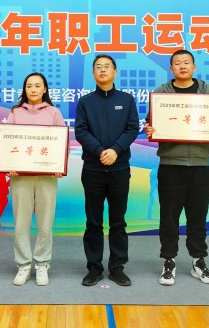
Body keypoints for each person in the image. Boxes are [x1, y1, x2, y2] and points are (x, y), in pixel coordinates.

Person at [144, 49, 209, 286]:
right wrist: (150, 129)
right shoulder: (162, 93)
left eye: (186, 62)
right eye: (177, 63)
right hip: (170, 165)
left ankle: (198, 261)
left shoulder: (207, 92)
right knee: (169, 217)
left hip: (200, 166)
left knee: (198, 216)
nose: (182, 66)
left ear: (194, 67)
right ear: (171, 68)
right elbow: (151, 122)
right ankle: (169, 261)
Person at [74, 55, 139, 287]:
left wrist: (115, 150)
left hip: (119, 169)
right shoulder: (85, 102)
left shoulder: (127, 100)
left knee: (118, 221)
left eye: (107, 66)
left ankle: (117, 267)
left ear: (115, 71)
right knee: (93, 222)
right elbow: (81, 131)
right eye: (98, 67)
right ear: (93, 73)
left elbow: (133, 129)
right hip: (93, 169)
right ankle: (94, 267)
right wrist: (101, 151)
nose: (103, 70)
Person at [6, 72, 66, 286]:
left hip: (47, 176)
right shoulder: (15, 112)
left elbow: (63, 142)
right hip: (20, 176)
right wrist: (8, 164)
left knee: (45, 223)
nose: (33, 89)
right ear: (25, 89)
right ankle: (23, 265)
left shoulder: (53, 113)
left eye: (37, 85)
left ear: (45, 89)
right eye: (29, 85)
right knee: (20, 223)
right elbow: (7, 142)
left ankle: (42, 264)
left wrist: (59, 165)